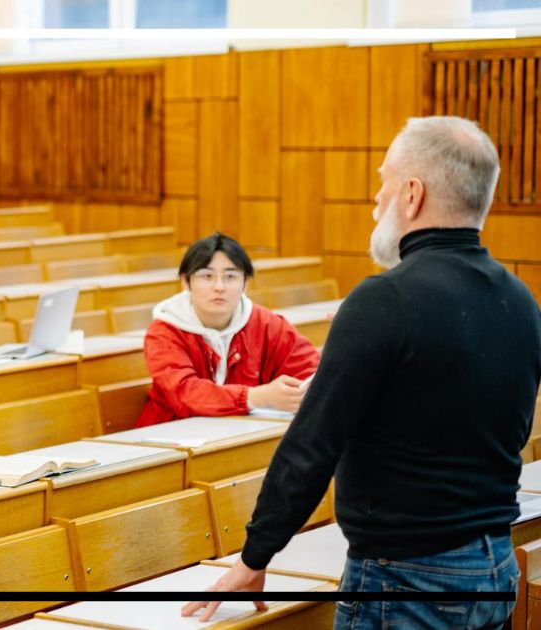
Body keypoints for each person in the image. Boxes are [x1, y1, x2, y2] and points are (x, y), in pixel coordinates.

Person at [184, 116, 541, 627]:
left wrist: (253, 557)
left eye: (383, 182)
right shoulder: (520, 298)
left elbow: (312, 444)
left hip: (406, 580)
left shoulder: (385, 299)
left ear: (412, 194)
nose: (377, 200)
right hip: (495, 567)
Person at [136, 232, 320, 427]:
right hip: (172, 433)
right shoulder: (164, 331)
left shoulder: (266, 323)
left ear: (245, 282)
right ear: (185, 281)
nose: (219, 287)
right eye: (206, 276)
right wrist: (256, 396)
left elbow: (308, 370)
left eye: (230, 276)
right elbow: (184, 392)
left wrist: (295, 394)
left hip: (241, 432)